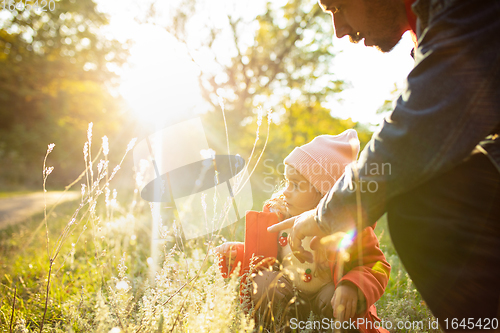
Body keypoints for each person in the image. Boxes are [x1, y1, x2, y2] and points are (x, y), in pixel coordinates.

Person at [269, 0, 500, 331]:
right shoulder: (431, 28)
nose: (339, 31)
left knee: (426, 203)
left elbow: (417, 135)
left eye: (339, 7)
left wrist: (327, 217)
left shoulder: (466, 9)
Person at [216, 130, 391, 333]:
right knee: (264, 283)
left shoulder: (350, 228)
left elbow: (377, 265)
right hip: (288, 293)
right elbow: (261, 253)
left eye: (296, 185)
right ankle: (279, 327)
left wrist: (351, 285)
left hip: (327, 296)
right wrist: (237, 253)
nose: (285, 191)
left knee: (337, 302)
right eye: (287, 182)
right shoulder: (278, 216)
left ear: (324, 194)